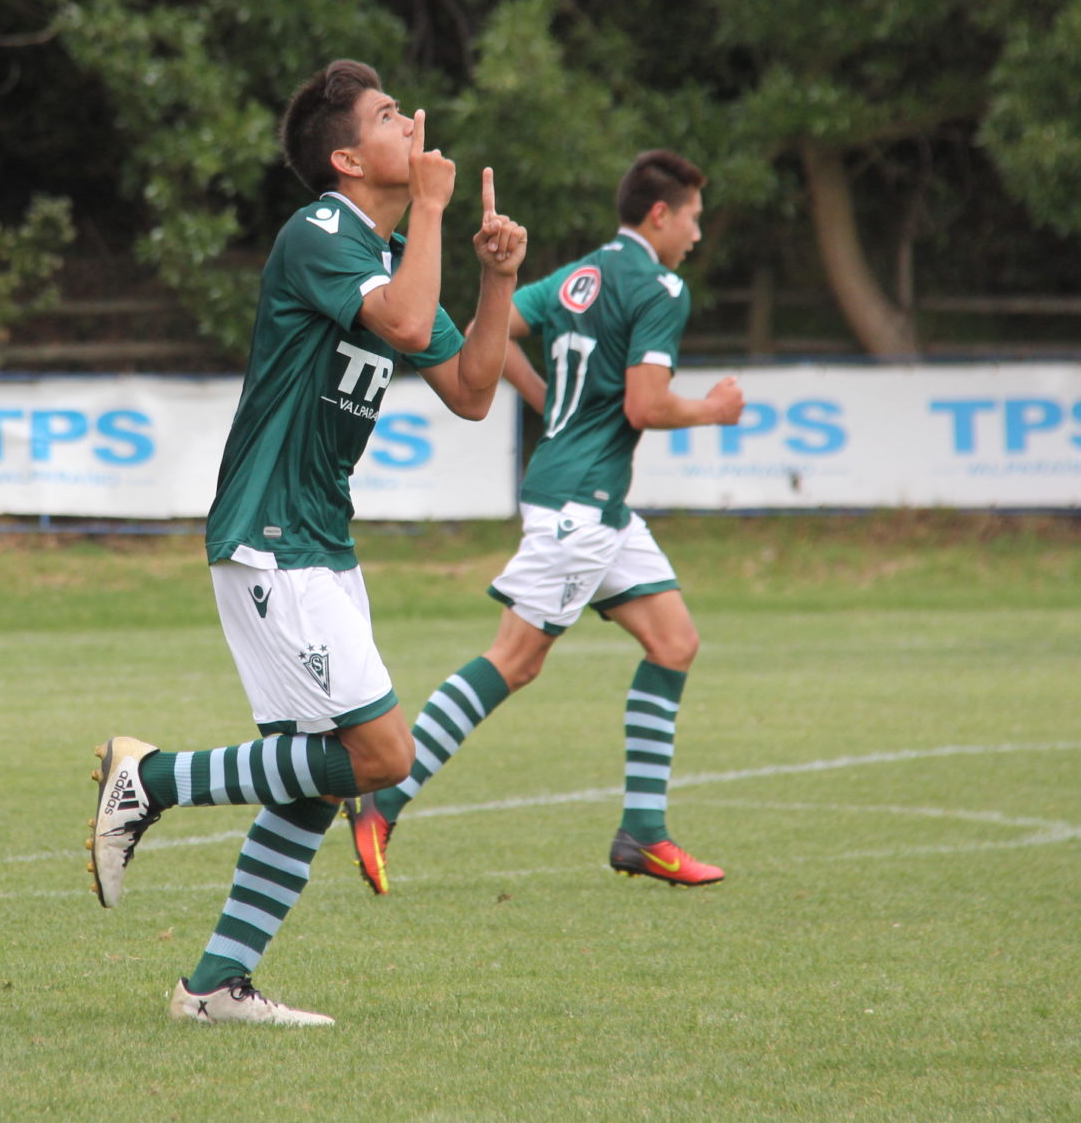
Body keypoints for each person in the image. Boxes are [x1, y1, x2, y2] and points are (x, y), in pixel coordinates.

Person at [86, 59, 528, 1026]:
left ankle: (212, 989)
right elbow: (409, 320)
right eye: (385, 117)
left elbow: (472, 390)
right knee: (380, 756)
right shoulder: (325, 230)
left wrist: (499, 280)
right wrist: (435, 212)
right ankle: (151, 777)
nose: (410, 123)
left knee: (310, 779)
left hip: (321, 540)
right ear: (345, 156)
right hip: (273, 536)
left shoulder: (379, 252)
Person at [342, 148, 744, 896]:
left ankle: (644, 834)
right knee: (515, 659)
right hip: (580, 504)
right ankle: (382, 802)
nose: (695, 232)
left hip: (593, 501)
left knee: (674, 640)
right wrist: (713, 412)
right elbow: (645, 406)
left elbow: (481, 330)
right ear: (661, 214)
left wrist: (548, 403)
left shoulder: (579, 275)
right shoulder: (660, 287)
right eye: (692, 216)